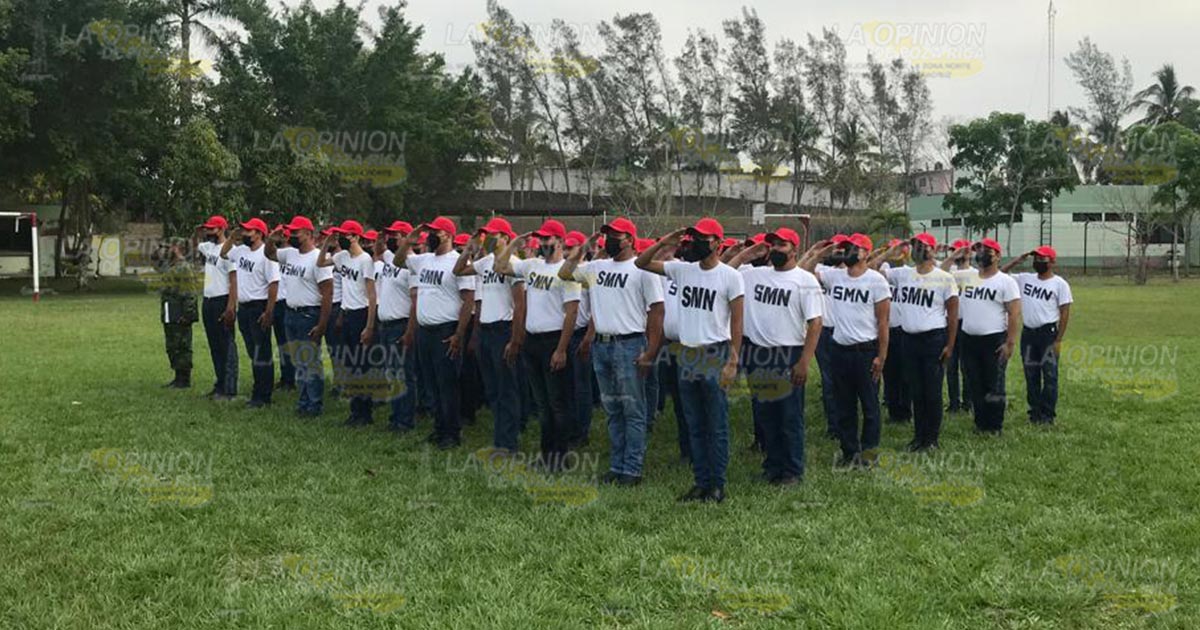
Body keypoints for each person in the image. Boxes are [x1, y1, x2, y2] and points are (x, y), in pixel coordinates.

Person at [637, 218, 743, 503]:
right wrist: (666, 241)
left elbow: (737, 323)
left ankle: (716, 484)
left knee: (715, 423)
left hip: (714, 353)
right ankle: (701, 481)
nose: (696, 243)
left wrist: (733, 362)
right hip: (687, 353)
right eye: (694, 237)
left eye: (704, 239)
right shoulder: (683, 270)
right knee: (694, 422)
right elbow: (642, 263)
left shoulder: (730, 277)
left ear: (718, 244)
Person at [560, 218, 664, 486]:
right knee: (612, 408)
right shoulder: (596, 266)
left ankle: (632, 469)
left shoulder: (643, 269)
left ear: (629, 238)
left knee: (632, 409)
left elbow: (657, 312)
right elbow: (565, 272)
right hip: (602, 345)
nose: (609, 240)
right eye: (607, 236)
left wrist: (651, 351)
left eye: (615, 235)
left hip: (629, 343)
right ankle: (617, 465)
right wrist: (584, 246)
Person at [729, 228, 822, 485]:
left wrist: (804, 361)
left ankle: (792, 470)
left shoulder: (805, 280)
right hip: (758, 353)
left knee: (789, 415)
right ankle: (772, 464)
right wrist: (747, 254)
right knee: (765, 414)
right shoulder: (754, 275)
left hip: (788, 353)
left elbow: (815, 324)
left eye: (782, 245)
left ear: (794, 249)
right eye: (773, 245)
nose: (776, 249)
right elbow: (725, 270)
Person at [495, 219, 580, 471]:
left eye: (548, 239)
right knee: (543, 404)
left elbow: (572, 313)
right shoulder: (532, 265)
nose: (543, 243)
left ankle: (559, 457)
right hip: (533, 340)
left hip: (554, 340)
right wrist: (513, 243)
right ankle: (546, 455)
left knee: (557, 404)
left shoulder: (567, 271)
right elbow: (500, 266)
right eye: (541, 239)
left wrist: (562, 349)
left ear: (560, 242)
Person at [801, 234, 890, 468]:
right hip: (839, 349)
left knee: (870, 406)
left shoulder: (876, 281)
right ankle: (849, 452)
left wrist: (882, 356)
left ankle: (868, 454)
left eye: (854, 248)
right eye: (847, 247)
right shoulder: (835, 276)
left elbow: (883, 322)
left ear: (866, 253)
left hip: (865, 351)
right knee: (845, 406)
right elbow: (804, 272)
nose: (848, 251)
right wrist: (819, 253)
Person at [392, 217, 476, 449]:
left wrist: (459, 333)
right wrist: (409, 240)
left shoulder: (457, 261)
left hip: (446, 330)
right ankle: (439, 428)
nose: (430, 235)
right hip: (425, 330)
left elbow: (468, 300)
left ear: (448, 235)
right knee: (431, 385)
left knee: (447, 384)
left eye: (435, 232)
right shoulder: (424, 259)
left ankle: (451, 433)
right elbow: (399, 260)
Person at [873, 234, 959, 451]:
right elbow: (871, 269)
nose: (918, 249)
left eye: (922, 246)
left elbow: (952, 313)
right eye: (915, 246)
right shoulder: (903, 274)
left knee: (932, 391)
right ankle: (918, 436)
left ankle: (931, 439)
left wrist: (950, 344)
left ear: (933, 249)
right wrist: (889, 253)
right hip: (908, 339)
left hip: (933, 339)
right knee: (916, 391)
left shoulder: (944, 278)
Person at [453, 217, 526, 454]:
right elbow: (458, 270)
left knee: (507, 389)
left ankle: (508, 442)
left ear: (505, 237)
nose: (490, 238)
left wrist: (515, 340)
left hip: (503, 329)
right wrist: (469, 248)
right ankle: (500, 436)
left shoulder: (513, 264)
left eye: (494, 234)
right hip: (486, 329)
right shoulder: (485, 262)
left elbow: (520, 304)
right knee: (493, 388)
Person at [947, 238, 1021, 435]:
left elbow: (1014, 313)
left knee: (994, 383)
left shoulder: (1006, 282)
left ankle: (994, 425)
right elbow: (941, 273)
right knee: (975, 382)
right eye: (979, 249)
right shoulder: (968, 276)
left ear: (997, 256)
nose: (982, 253)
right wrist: (955, 255)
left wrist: (1010, 343)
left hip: (994, 339)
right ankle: (980, 423)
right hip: (969, 338)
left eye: (988, 250)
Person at [266, 216, 333, 417]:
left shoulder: (318, 258)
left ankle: (314, 405)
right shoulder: (290, 254)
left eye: (296, 232)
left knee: (310, 362)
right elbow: (269, 254)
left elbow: (327, 293)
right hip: (290, 313)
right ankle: (303, 402)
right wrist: (271, 238)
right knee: (299, 361)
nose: (292, 235)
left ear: (309, 234)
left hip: (308, 314)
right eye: (291, 232)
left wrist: (322, 324)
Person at [1002, 246, 1072, 425]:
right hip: (1029, 334)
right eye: (1036, 259)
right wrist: (1018, 260)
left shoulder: (1059, 284)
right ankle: (1034, 412)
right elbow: (1000, 274)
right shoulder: (1025, 279)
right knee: (1031, 375)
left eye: (1043, 259)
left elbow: (1064, 312)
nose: (1038, 262)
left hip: (1047, 334)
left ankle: (1048, 415)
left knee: (1049, 376)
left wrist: (1059, 339)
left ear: (1052, 262)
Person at [318, 220, 378, 426]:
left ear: (357, 237)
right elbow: (320, 263)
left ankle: (365, 413)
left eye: (347, 235)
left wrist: (370, 326)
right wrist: (327, 242)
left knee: (362, 366)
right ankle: (355, 411)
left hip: (361, 314)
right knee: (351, 365)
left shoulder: (365, 260)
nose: (343, 238)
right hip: (347, 313)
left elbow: (371, 294)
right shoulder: (342, 257)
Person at [220, 218, 280, 408]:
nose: (245, 233)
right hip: (244, 308)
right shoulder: (242, 251)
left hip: (259, 306)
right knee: (252, 351)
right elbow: (224, 253)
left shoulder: (267, 254)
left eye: (249, 231)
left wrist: (269, 311)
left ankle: (263, 395)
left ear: (259, 233)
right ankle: (258, 389)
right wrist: (231, 236)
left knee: (261, 352)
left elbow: (274, 284)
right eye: (244, 230)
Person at [374, 220, 420, 432]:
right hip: (385, 324)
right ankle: (395, 416)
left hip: (400, 324)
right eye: (391, 236)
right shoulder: (391, 258)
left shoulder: (413, 264)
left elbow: (415, 301)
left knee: (403, 374)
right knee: (391, 373)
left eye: (396, 235)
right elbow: (378, 251)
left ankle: (405, 420)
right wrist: (380, 238)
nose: (392, 239)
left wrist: (410, 331)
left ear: (406, 238)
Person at [808, 234, 849, 440]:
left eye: (841, 251)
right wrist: (817, 253)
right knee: (828, 380)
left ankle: (846, 420)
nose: (837, 254)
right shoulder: (823, 272)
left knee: (845, 380)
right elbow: (803, 270)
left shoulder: (853, 274)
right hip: (824, 332)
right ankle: (833, 425)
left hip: (844, 331)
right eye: (834, 251)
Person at [195, 216, 238, 399]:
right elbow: (194, 244)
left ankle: (229, 388)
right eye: (207, 229)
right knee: (214, 345)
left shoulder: (229, 251)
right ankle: (219, 384)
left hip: (222, 300)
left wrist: (230, 307)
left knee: (226, 345)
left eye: (211, 229)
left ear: (221, 229)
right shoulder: (209, 247)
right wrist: (197, 231)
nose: (207, 232)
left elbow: (234, 280)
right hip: (208, 301)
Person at [564, 230, 596, 448]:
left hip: (581, 333)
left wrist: (589, 337)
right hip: (562, 334)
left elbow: (596, 308)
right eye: (566, 247)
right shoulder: (565, 271)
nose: (568, 251)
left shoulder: (589, 272)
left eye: (572, 247)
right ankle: (569, 425)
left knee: (581, 385)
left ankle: (581, 431)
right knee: (566, 385)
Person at [155, 238, 199, 388]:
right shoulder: (170, 266)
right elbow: (155, 261)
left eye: (169, 247)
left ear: (177, 248)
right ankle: (177, 376)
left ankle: (184, 379)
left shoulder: (184, 268)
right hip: (169, 309)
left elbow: (190, 293)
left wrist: (188, 314)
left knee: (182, 344)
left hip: (180, 310)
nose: (165, 250)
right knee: (172, 344)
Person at [877, 239, 912, 424]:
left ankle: (905, 411)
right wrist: (886, 254)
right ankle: (893, 410)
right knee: (889, 373)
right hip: (887, 329)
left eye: (900, 249)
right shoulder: (884, 273)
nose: (897, 253)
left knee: (905, 374)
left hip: (903, 329)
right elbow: (872, 268)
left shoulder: (911, 273)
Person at [943, 239, 974, 413]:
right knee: (951, 364)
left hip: (967, 322)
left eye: (960, 251)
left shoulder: (976, 273)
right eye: (954, 250)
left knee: (967, 366)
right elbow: (940, 270)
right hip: (950, 322)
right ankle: (954, 402)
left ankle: (968, 401)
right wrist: (953, 255)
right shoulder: (949, 272)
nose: (956, 253)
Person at [268, 225, 297, 391]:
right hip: (277, 302)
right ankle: (286, 376)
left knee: (287, 344)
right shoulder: (278, 256)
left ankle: (291, 378)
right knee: (281, 343)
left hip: (287, 301)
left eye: (282, 237)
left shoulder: (292, 255)